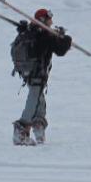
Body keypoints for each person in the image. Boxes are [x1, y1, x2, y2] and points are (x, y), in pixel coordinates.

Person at [12, 8, 72, 146]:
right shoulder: (44, 34)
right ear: (43, 19)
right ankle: (21, 129)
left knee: (39, 98)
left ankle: (38, 124)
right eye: (49, 18)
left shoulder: (31, 31)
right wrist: (67, 39)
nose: (51, 21)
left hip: (28, 72)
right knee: (34, 99)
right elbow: (60, 50)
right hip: (37, 73)